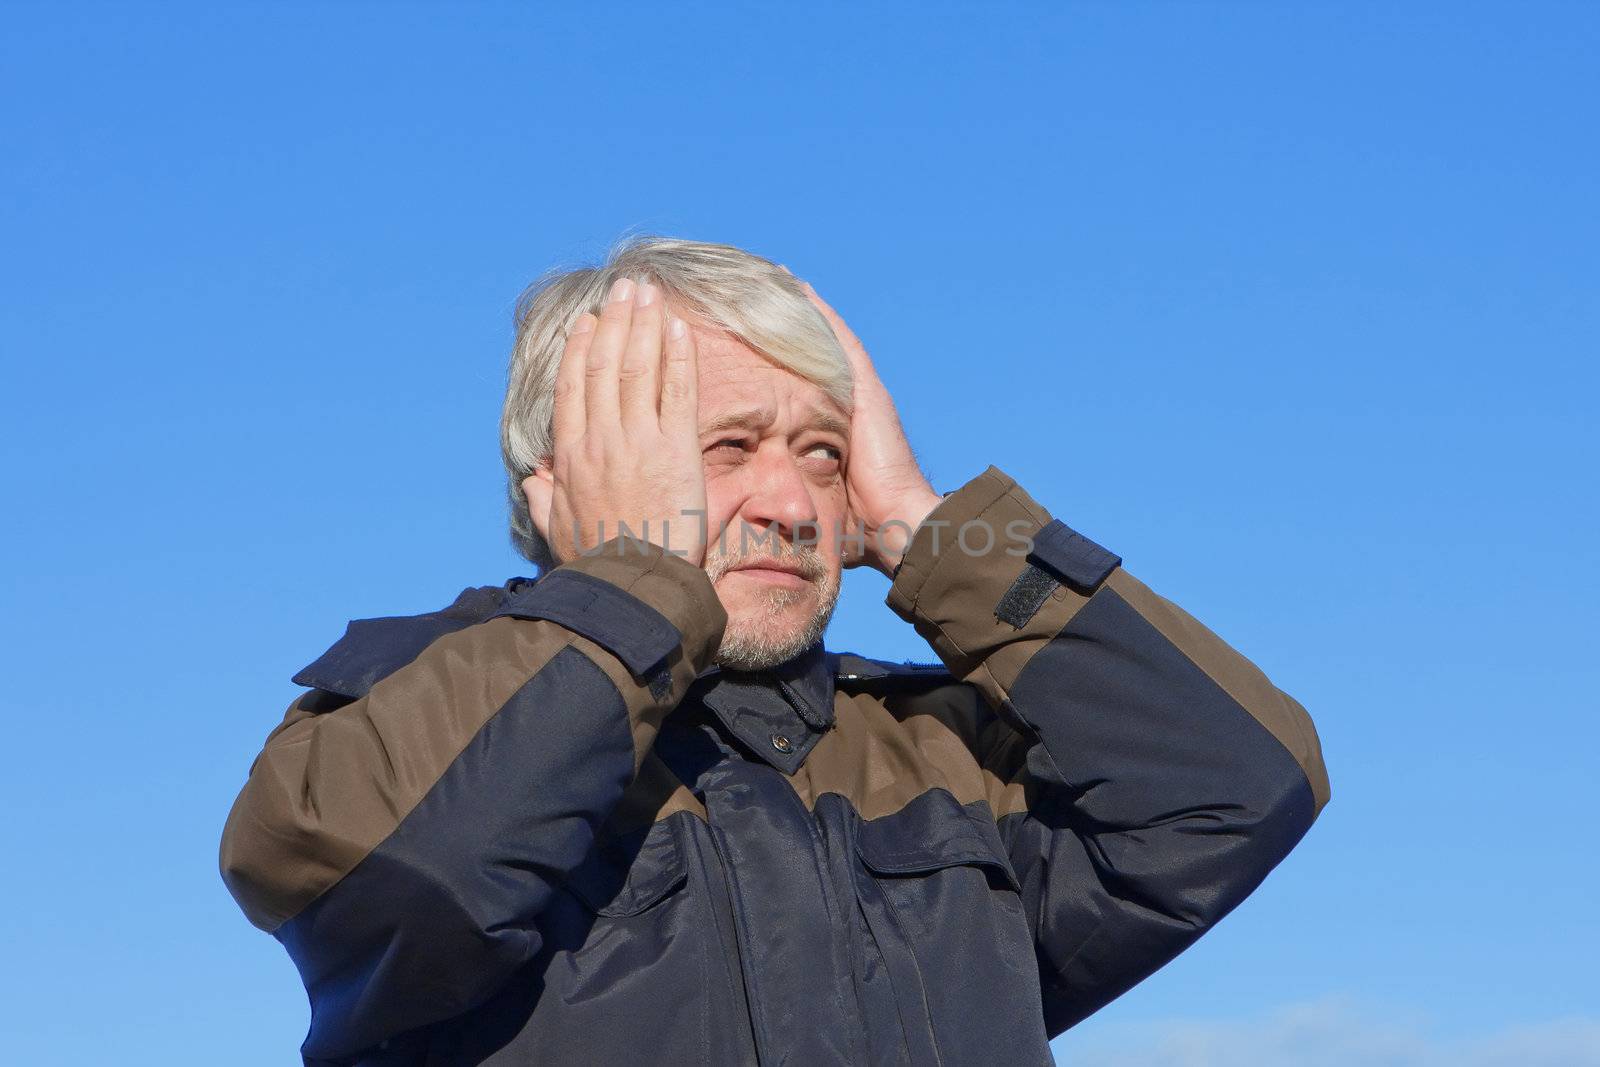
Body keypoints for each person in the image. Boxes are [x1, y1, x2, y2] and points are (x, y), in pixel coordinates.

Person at [219, 237, 1330, 1066]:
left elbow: (1238, 787)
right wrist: (635, 581)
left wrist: (928, 527)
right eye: (726, 445)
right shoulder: (395, 713)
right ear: (556, 481)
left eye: (824, 451)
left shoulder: (942, 753)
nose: (794, 500)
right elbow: (412, 892)